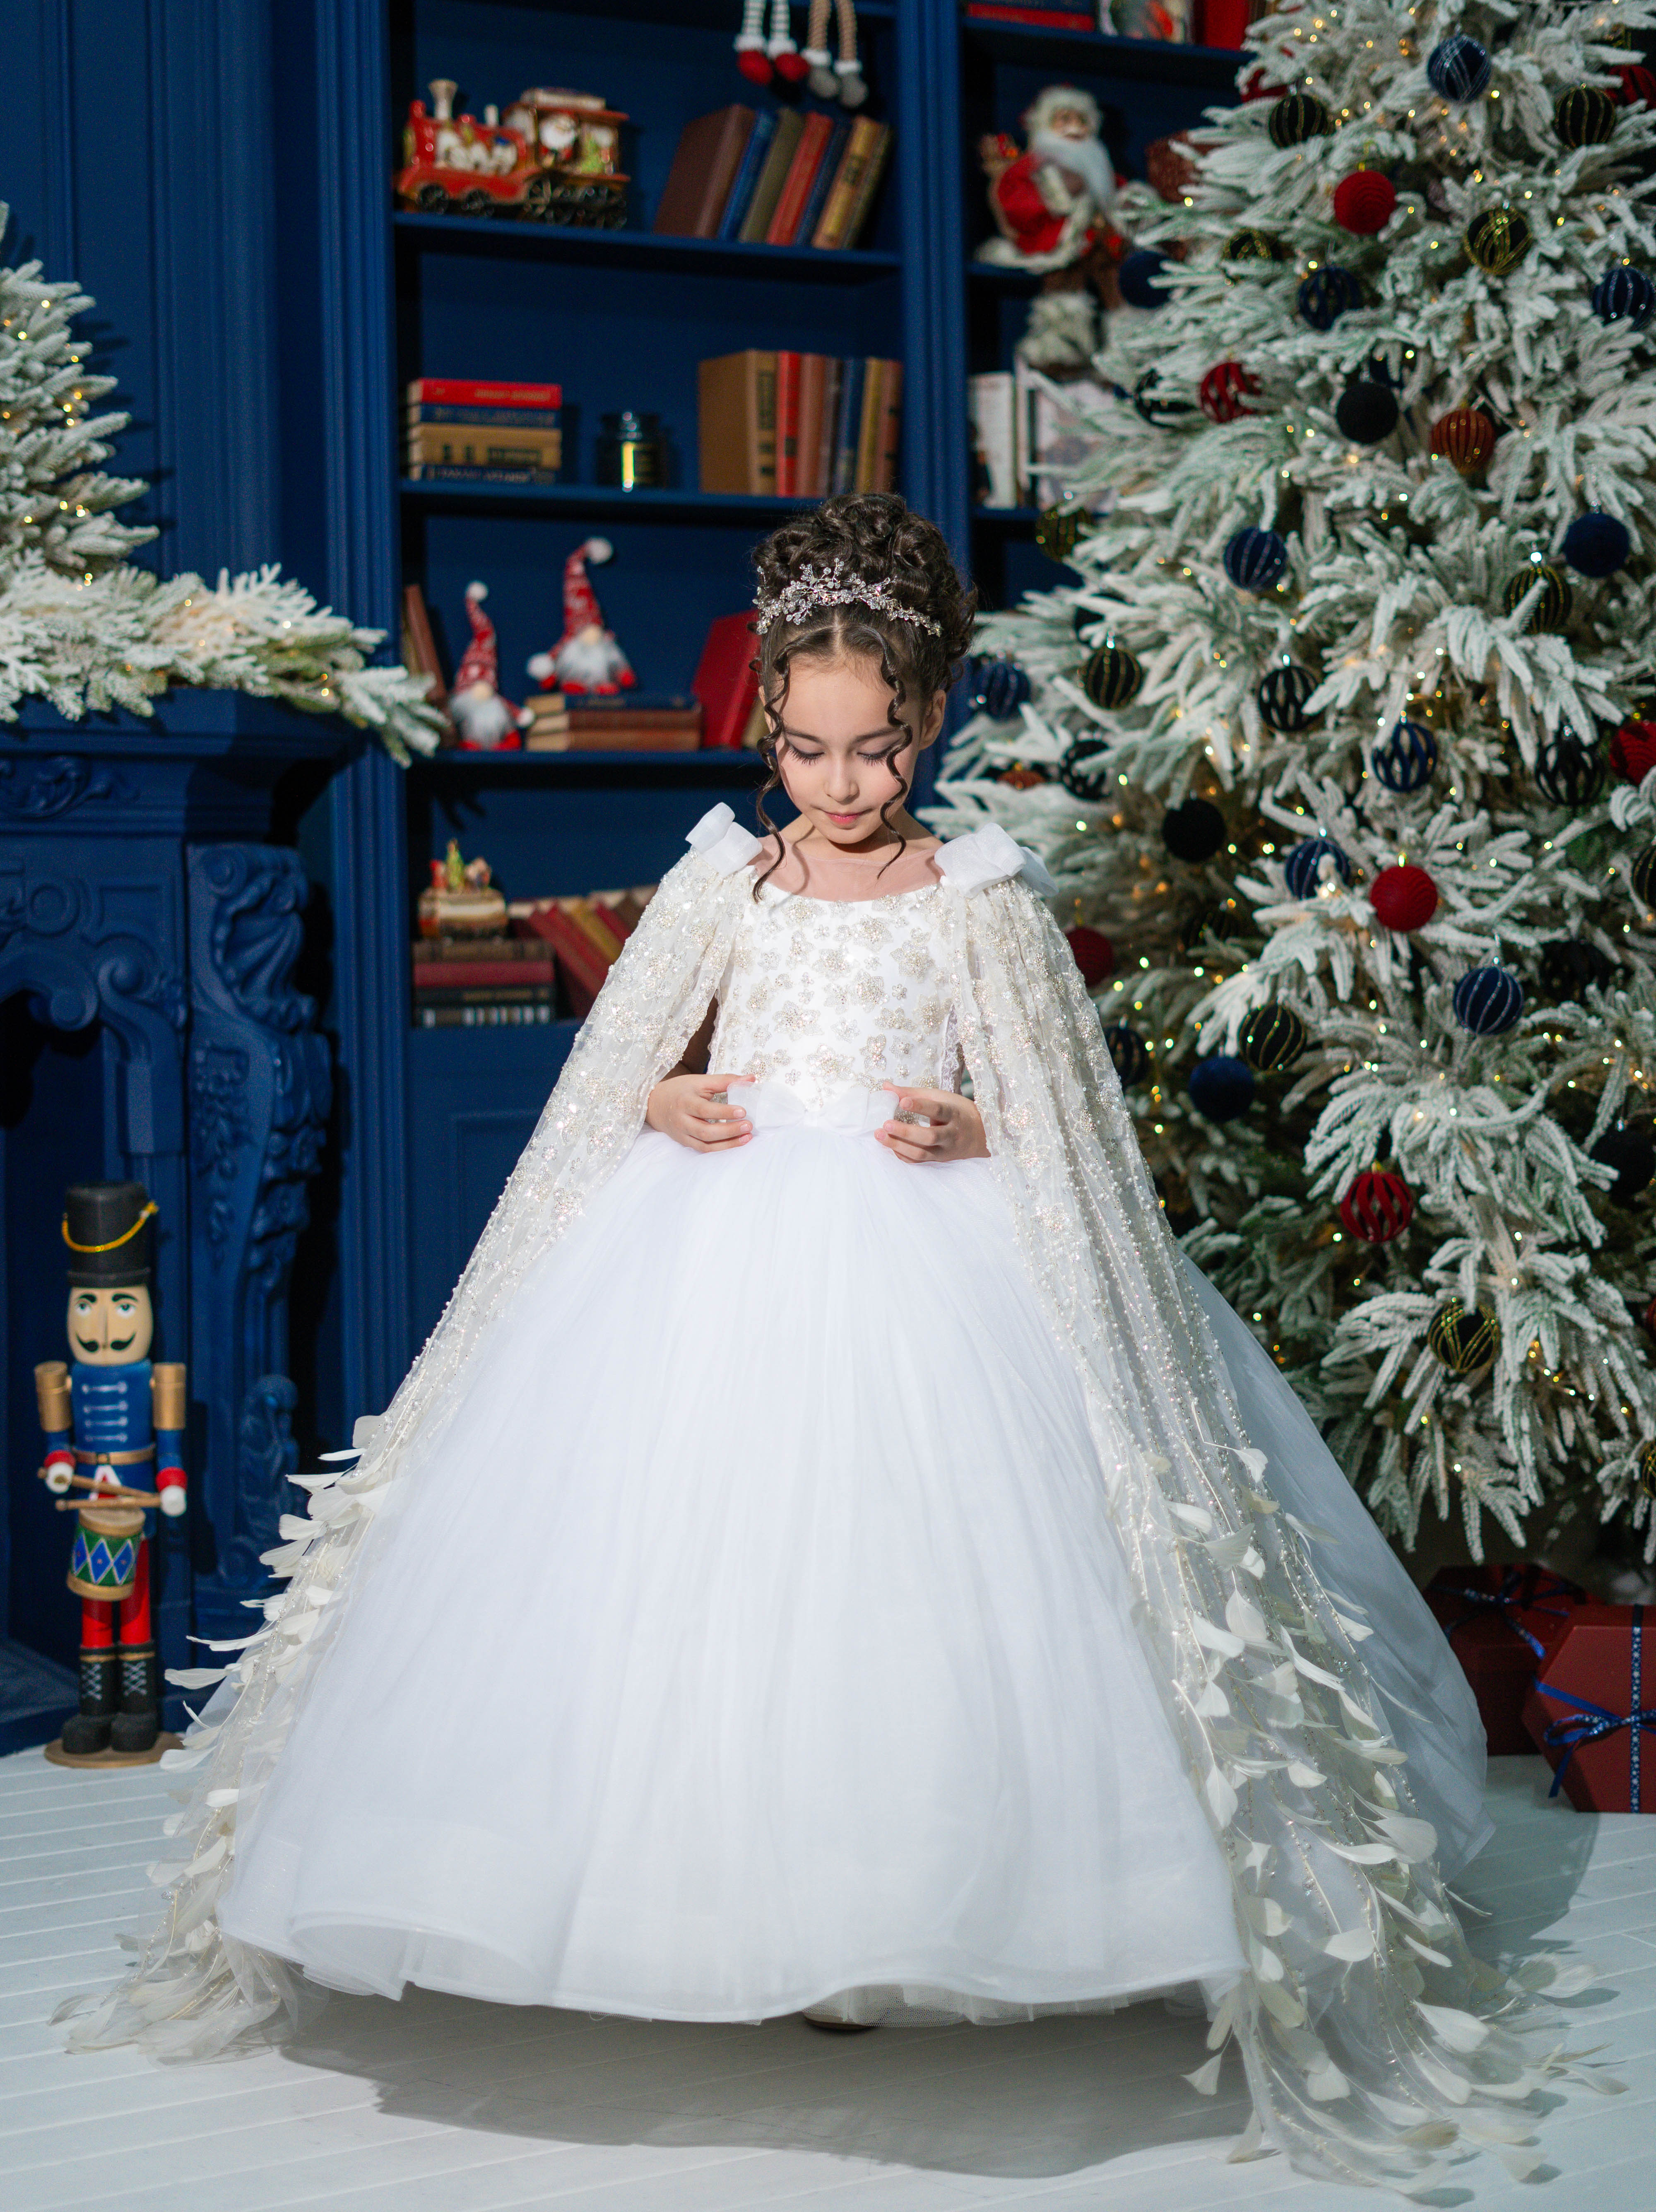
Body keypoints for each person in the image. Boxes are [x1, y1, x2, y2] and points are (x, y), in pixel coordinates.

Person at [63, 497, 1584, 2190]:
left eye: (871, 754)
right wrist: (664, 1094)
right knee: (695, 1586)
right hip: (708, 1243)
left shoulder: (976, 893)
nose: (840, 787)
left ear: (925, 730)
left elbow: (1058, 1122)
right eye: (807, 752)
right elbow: (612, 1076)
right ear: (766, 730)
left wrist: (969, 1129)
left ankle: (912, 1914)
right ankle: (699, 1907)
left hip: (930, 1259)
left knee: (915, 1586)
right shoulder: (729, 879)